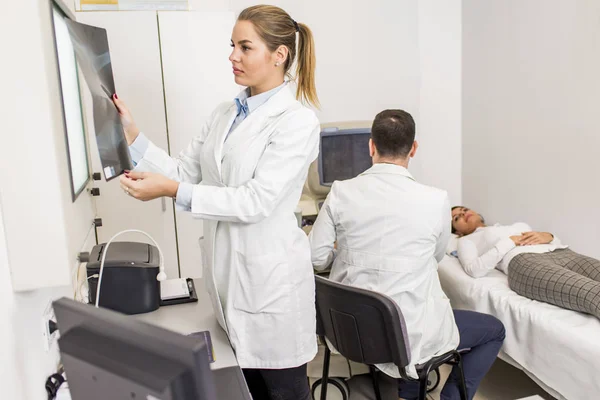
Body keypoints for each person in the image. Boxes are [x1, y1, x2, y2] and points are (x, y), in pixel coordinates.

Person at [113, 5, 320, 399]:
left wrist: (171, 191)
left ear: (280, 55)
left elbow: (256, 201)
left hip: (271, 297)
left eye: (245, 47)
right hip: (229, 290)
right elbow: (185, 171)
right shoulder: (226, 113)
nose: (232, 56)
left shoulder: (296, 121)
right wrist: (133, 134)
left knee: (283, 392)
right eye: (232, 46)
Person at [309, 110, 505, 400]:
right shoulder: (436, 199)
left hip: (347, 333)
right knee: (493, 330)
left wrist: (345, 253)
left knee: (411, 325)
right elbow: (435, 257)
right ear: (413, 148)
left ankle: (407, 389)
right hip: (405, 337)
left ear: (371, 146)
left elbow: (315, 259)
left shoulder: (340, 192)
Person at [452, 206, 600, 319]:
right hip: (525, 262)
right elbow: (474, 270)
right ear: (457, 231)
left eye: (464, 209)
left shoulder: (510, 226)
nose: (464, 213)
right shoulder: (466, 241)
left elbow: (544, 240)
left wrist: (549, 236)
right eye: (457, 217)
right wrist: (509, 242)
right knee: (593, 293)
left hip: (561, 252)